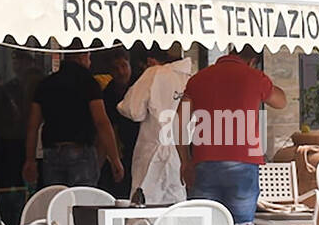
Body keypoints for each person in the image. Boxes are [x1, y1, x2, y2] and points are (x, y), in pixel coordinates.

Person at [178, 46, 287, 225]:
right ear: (251, 58)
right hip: (243, 161)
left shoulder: (199, 78)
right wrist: (261, 80)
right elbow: (281, 101)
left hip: (204, 161)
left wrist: (185, 161)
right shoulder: (253, 76)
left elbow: (179, 123)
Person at [22, 44, 124, 189]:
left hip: (52, 153)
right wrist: (114, 159)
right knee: (82, 204)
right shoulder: (89, 83)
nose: (90, 62)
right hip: (81, 152)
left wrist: (30, 159)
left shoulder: (45, 84)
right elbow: (101, 122)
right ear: (81, 56)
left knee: (56, 203)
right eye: (88, 57)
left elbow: (33, 126)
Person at [117, 44, 193, 204]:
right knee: (175, 210)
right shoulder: (191, 77)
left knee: (143, 209)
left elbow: (133, 110)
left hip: (151, 151)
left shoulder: (154, 73)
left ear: (151, 61)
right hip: (180, 154)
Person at [98, 47, 139, 199]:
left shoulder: (139, 86)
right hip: (121, 149)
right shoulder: (108, 93)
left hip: (141, 144)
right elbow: (108, 126)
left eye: (124, 66)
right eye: (116, 68)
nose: (121, 72)